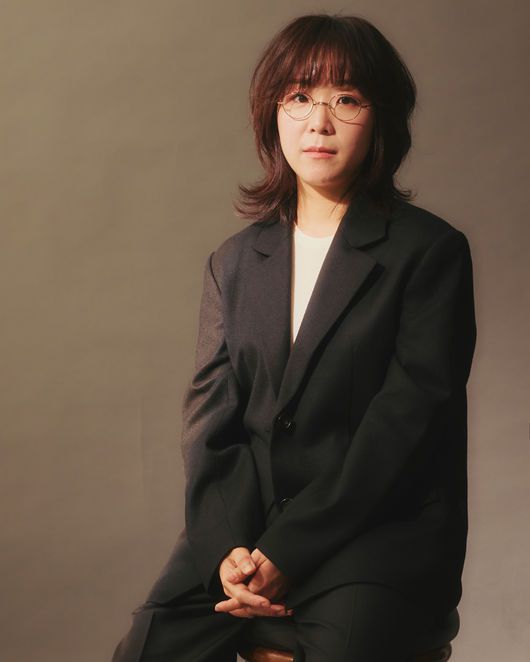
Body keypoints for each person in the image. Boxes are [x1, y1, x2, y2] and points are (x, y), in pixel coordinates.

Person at [111, 12, 477, 662]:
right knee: (147, 649)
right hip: (247, 531)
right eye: (300, 97)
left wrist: (290, 549)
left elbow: (404, 428)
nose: (319, 122)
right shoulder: (233, 262)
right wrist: (228, 549)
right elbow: (210, 425)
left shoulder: (429, 253)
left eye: (347, 99)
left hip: (375, 533)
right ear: (272, 114)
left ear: (382, 119)